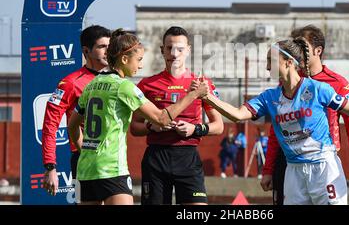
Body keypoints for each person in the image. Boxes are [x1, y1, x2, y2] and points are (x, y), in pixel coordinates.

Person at [197, 37, 349, 204]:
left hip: (324, 167)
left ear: (289, 62)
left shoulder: (317, 89)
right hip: (293, 171)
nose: (266, 67)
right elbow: (238, 115)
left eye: (271, 60)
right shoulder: (269, 97)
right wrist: (208, 98)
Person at [68, 29, 209, 205]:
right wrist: (193, 95)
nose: (140, 66)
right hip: (112, 169)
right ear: (125, 59)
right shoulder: (124, 87)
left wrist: (83, 149)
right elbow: (162, 118)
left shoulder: (91, 85)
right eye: (139, 60)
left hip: (86, 169)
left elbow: (72, 126)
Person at [264, 25, 349, 205]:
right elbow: (277, 129)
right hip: (290, 163)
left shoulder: (337, 83)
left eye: (302, 46)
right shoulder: (287, 82)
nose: (298, 50)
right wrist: (268, 169)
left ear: (318, 51)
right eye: (295, 45)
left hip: (323, 164)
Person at [130, 26, 224, 205]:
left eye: (180, 49)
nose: (174, 53)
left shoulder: (202, 84)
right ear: (162, 51)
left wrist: (195, 129)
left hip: (188, 157)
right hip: (156, 157)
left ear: (188, 50)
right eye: (169, 48)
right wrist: (152, 126)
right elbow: (135, 127)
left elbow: (218, 126)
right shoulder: (147, 84)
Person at [41, 25, 111, 196]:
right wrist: (50, 166)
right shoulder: (70, 83)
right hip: (83, 159)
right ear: (86, 51)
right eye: (102, 47)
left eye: (110, 46)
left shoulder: (118, 80)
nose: (108, 51)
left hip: (113, 158)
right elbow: (50, 125)